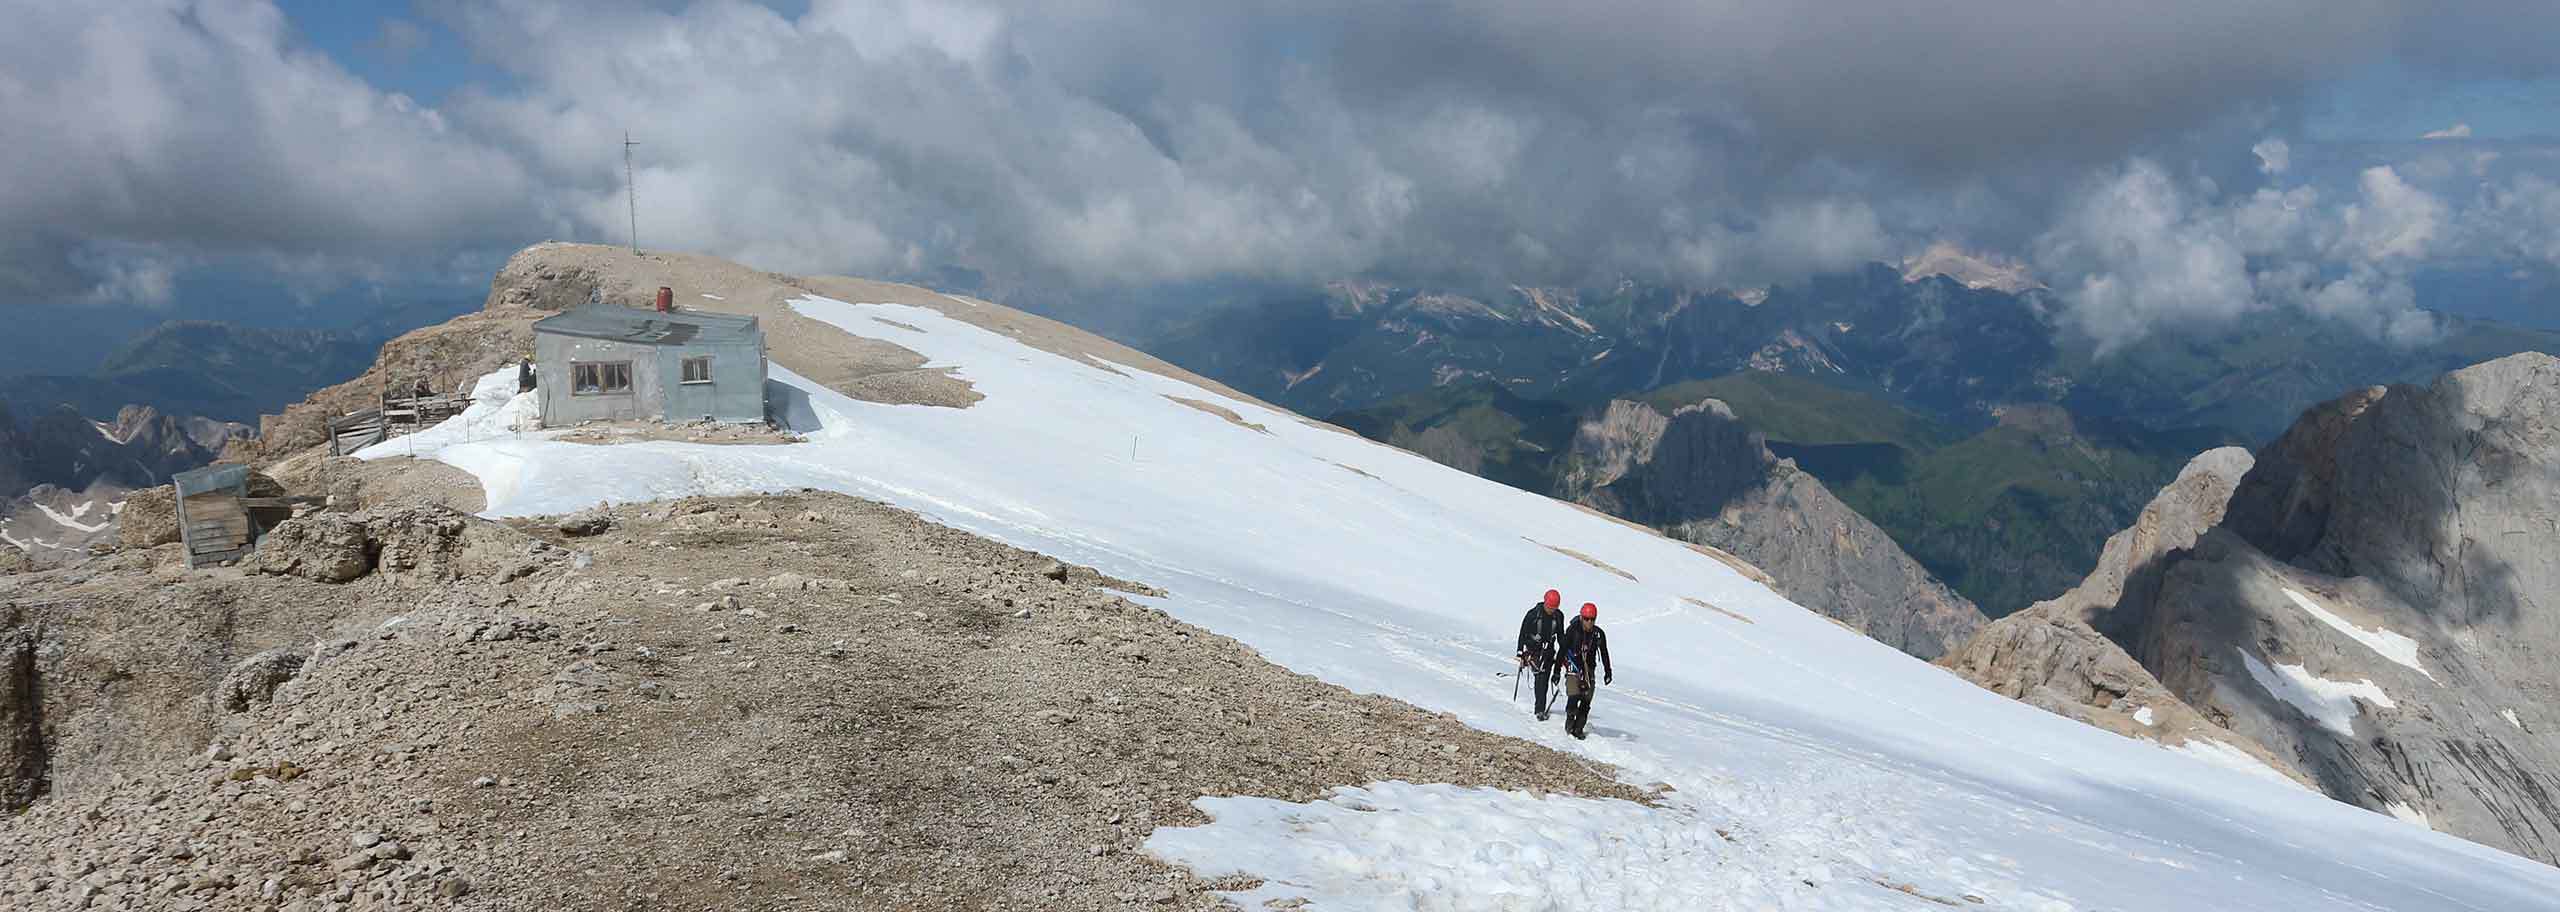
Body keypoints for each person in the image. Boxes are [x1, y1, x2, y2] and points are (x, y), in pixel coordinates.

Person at [1557, 602, 1613, 740]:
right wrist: (1556, 671)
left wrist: (1608, 671)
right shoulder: (1573, 630)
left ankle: (1579, 728)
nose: (1589, 622)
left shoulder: (1598, 634)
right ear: (1581, 617)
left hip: (1589, 669)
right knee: (1573, 694)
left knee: (1586, 699)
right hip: (1573, 665)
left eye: (1592, 619)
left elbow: (1604, 653)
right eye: (1587, 618)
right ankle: (1570, 719)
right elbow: (1562, 650)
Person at [1514, 589, 1567, 721]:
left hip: (1548, 652)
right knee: (1541, 678)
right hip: (1534, 651)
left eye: (1554, 607)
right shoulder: (1533, 614)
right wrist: (1520, 652)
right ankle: (1539, 709)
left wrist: (1565, 651)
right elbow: (1523, 633)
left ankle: (1540, 706)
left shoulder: (1559, 616)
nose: (1552, 610)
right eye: (1550, 607)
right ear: (1545, 603)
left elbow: (1561, 636)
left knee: (1545, 677)